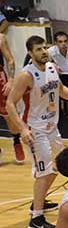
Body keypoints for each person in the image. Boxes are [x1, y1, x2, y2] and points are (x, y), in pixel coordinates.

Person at [5, 36, 68, 228]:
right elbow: (10, 104)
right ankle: (36, 219)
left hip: (52, 127)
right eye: (38, 49)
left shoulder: (52, 67)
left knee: (58, 165)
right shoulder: (26, 75)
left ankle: (39, 201)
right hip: (35, 129)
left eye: (45, 48)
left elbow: (60, 89)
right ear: (30, 53)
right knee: (44, 171)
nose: (44, 52)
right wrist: (22, 129)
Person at [0, 20, 26, 164]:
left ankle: (16, 141)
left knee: (8, 115)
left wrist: (10, 79)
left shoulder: (0, 38)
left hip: (0, 80)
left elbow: (10, 60)